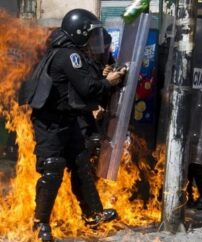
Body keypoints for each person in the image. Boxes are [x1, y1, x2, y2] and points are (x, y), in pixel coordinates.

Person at [19, 9, 126, 242]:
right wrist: (108, 82)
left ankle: (93, 214)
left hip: (67, 120)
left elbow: (89, 81)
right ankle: (40, 225)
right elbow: (88, 88)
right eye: (90, 36)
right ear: (79, 34)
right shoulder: (68, 55)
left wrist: (107, 77)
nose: (94, 42)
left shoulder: (73, 53)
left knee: (80, 164)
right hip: (50, 123)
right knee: (53, 168)